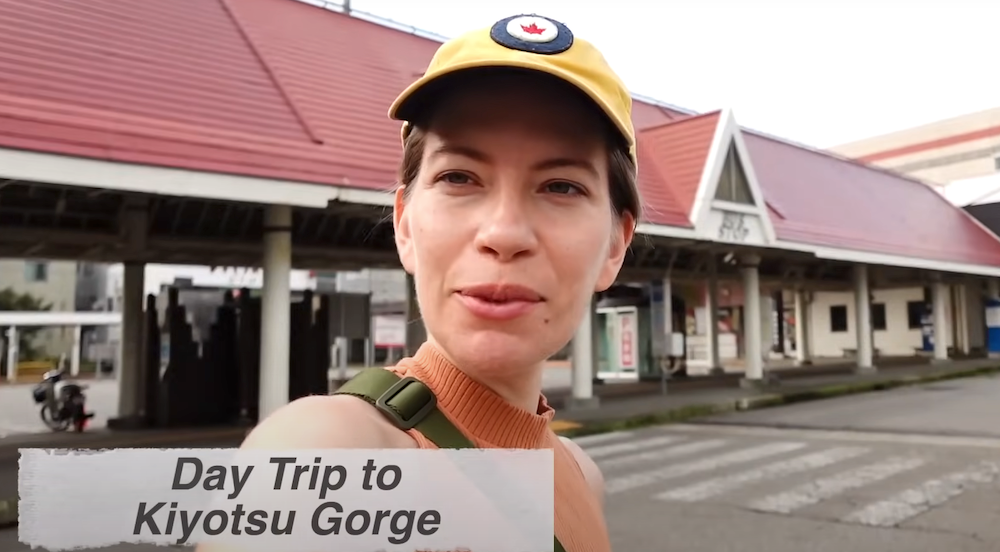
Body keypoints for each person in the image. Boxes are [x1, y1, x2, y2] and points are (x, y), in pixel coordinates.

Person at [201, 13, 638, 552]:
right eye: (458, 177)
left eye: (562, 187)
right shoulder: (329, 455)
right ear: (405, 223)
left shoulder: (581, 474)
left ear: (615, 246)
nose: (503, 233)